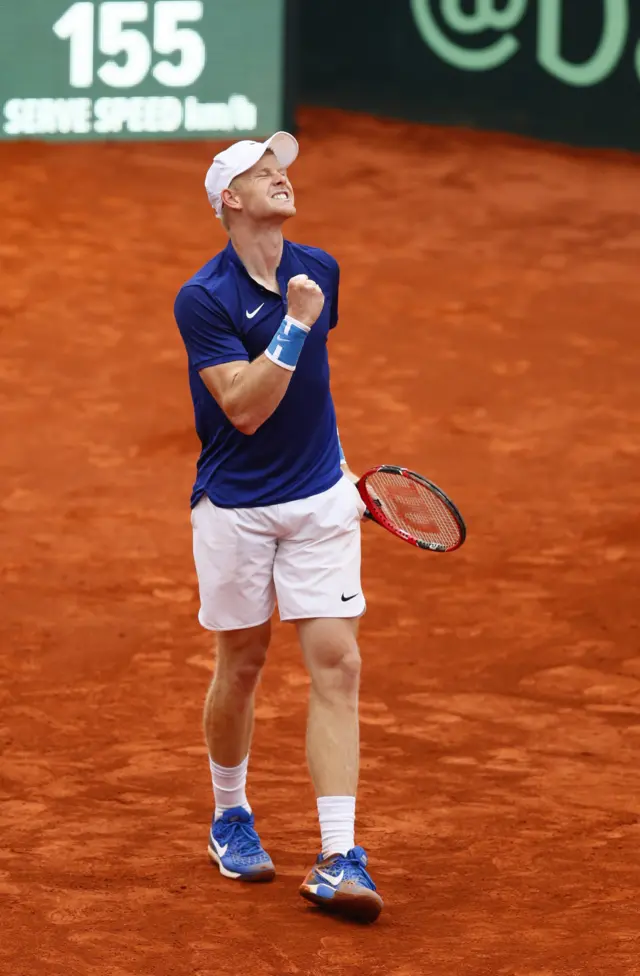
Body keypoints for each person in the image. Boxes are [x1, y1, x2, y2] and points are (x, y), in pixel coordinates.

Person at [173, 131, 383, 923]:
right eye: (261, 174)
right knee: (243, 661)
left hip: (320, 498)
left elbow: (309, 395)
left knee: (341, 664)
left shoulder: (320, 266)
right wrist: (292, 323)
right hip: (235, 506)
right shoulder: (205, 298)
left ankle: (340, 857)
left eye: (282, 170)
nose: (280, 179)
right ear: (229, 200)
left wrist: (338, 472)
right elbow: (247, 410)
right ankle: (231, 815)